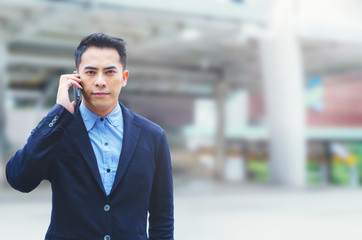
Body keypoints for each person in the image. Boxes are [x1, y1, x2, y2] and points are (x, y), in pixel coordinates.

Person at [6, 33, 174, 240]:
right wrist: (59, 112)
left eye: (110, 72)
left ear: (124, 78)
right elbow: (19, 179)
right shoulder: (58, 130)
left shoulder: (153, 136)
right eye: (91, 72)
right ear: (77, 77)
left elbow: (162, 215)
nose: (100, 81)